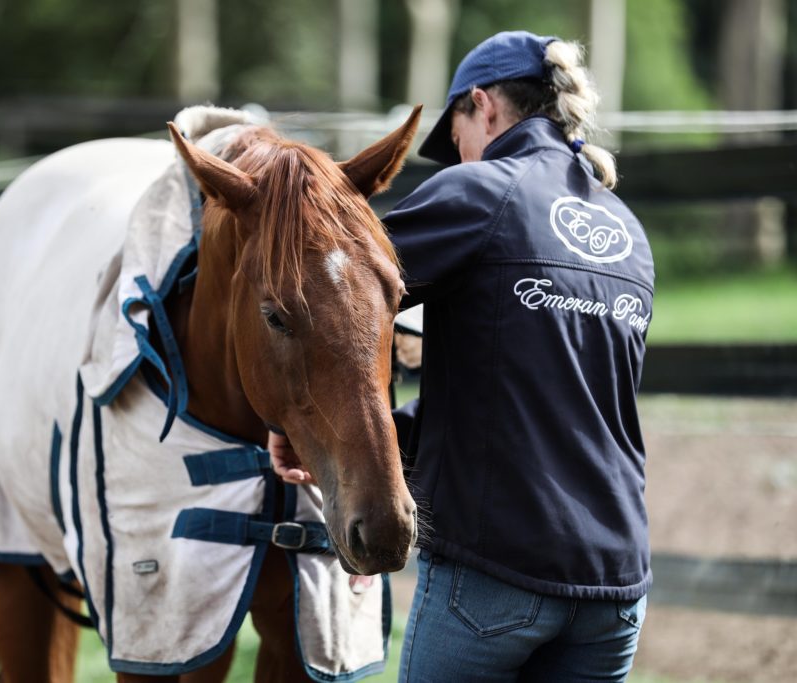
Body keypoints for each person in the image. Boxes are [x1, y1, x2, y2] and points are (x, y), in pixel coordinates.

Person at [271, 30, 655, 682]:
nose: (458, 156)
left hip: (497, 571)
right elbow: (547, 398)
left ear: (483, 105)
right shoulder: (626, 231)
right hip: (617, 584)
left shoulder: (479, 193)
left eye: (455, 135)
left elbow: (335, 289)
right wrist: (397, 431)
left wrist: (296, 424)